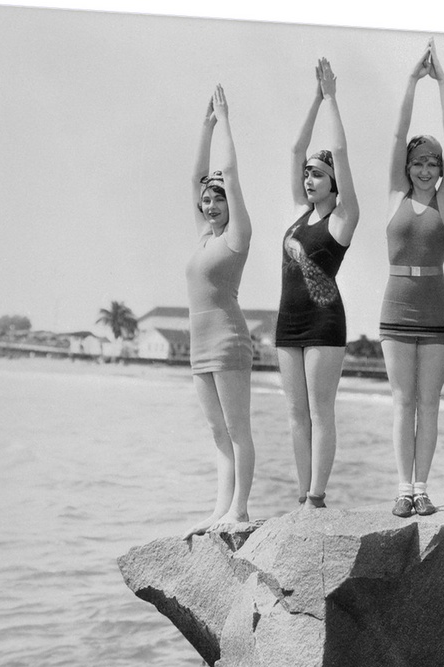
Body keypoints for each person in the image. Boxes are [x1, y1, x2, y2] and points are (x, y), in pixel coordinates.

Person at [379, 38, 444, 517]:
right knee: (401, 401)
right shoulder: (394, 195)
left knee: (428, 402)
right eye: (418, 163)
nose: (426, 169)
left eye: (432, 164)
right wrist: (411, 81)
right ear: (407, 169)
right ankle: (402, 489)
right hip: (396, 306)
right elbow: (395, 137)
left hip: (436, 309)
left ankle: (423, 487)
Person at [275, 57, 359, 510]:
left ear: (334, 183)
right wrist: (313, 97)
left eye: (318, 174)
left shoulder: (343, 219)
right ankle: (301, 492)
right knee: (294, 414)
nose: (309, 179)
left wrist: (332, 100)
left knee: (319, 412)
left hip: (325, 325)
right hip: (288, 323)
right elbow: (294, 150)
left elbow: (341, 155)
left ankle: (317, 496)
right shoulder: (297, 213)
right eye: (308, 174)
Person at [183, 84, 255, 539]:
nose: (210, 204)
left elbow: (226, 171)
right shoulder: (205, 237)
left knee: (237, 427)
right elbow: (196, 179)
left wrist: (225, 120)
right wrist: (204, 125)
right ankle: (220, 509)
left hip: (228, 342)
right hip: (198, 346)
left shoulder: (235, 237)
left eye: (218, 199)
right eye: (207, 201)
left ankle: (241, 510)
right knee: (217, 432)